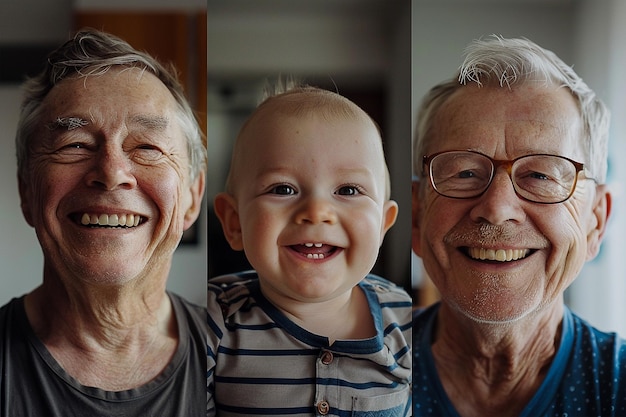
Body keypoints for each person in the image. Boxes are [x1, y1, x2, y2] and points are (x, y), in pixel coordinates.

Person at [411, 35, 626, 416]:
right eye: (463, 172)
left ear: (596, 221)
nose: (496, 208)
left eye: (541, 175)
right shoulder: (360, 375)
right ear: (416, 215)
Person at [0, 29, 207, 415]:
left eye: (147, 147)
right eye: (74, 145)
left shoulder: (241, 360)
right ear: (27, 193)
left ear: (193, 196)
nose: (112, 173)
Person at [207, 84, 412, 416]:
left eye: (348, 189)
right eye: (283, 188)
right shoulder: (212, 322)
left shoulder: (405, 319)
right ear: (234, 223)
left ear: (383, 225)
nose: (317, 211)